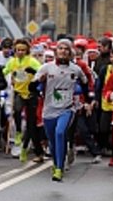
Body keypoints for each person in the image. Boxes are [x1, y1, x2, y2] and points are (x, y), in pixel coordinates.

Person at [35, 39, 88, 181]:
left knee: (60, 132)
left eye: (66, 49)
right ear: (55, 51)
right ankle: (56, 161)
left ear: (70, 52)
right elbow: (33, 88)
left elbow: (85, 84)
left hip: (67, 108)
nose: (63, 51)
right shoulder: (46, 68)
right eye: (60, 48)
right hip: (49, 109)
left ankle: (59, 168)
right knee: (52, 141)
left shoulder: (76, 69)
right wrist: (40, 82)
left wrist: (87, 100)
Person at [4, 39, 43, 163]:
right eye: (18, 50)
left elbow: (42, 72)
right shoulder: (12, 62)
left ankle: (32, 150)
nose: (20, 52)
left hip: (31, 94)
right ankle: (18, 133)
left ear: (27, 51)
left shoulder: (32, 61)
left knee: (32, 125)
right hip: (19, 92)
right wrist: (10, 75)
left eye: (23, 50)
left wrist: (34, 73)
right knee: (16, 111)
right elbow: (4, 71)